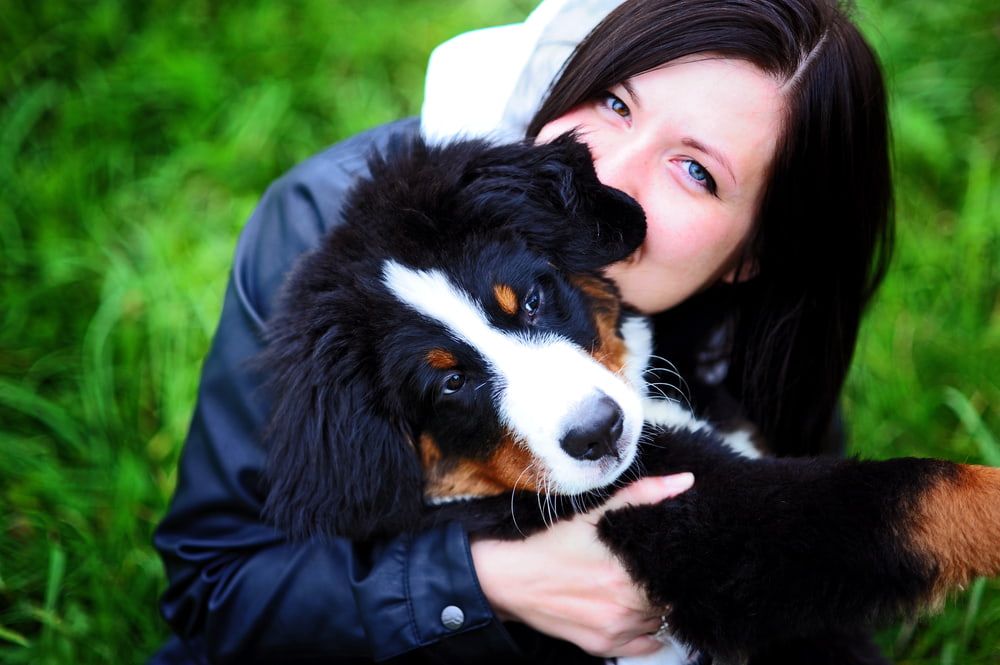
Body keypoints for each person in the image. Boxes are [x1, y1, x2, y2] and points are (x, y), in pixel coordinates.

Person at [150, 0, 893, 663]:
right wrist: (485, 581)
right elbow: (214, 585)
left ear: (755, 254)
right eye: (613, 100)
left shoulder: (764, 324)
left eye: (695, 170)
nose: (609, 170)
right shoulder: (322, 249)